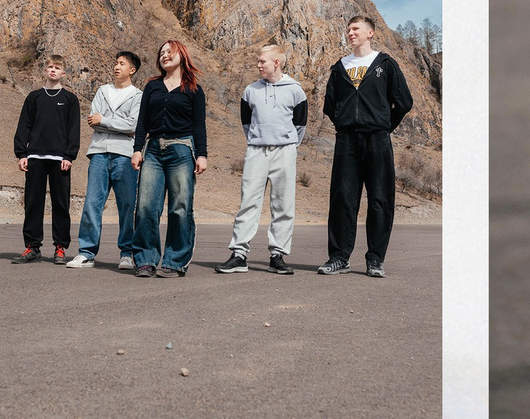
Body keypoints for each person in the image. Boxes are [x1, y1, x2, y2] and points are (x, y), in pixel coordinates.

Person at [318, 15, 413, 278]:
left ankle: (375, 260)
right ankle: (339, 258)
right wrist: (345, 123)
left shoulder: (385, 64)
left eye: (356, 28)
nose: (350, 33)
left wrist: (383, 126)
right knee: (342, 199)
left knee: (380, 199)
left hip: (377, 140)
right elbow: (330, 106)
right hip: (347, 141)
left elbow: (403, 102)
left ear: (370, 32)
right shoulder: (340, 67)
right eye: (348, 29)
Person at [216, 43, 307, 274]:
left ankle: (278, 255)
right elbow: (246, 123)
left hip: (285, 151)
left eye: (262, 61)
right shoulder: (250, 91)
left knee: (283, 204)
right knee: (248, 202)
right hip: (256, 151)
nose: (258, 65)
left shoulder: (296, 90)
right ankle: (239, 255)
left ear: (276, 62)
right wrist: (259, 140)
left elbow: (300, 125)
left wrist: (286, 144)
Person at [129, 38, 209, 276]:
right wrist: (137, 149)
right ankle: (145, 260)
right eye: (161, 52)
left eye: (169, 51)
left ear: (181, 55)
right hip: (153, 150)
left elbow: (199, 125)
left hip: (182, 149)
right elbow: (142, 121)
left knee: (180, 208)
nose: (164, 55)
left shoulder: (194, 89)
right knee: (145, 207)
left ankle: (175, 262)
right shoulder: (152, 86)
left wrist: (202, 154)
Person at [68, 49, 144, 270]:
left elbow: (133, 125)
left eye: (122, 64)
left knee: (127, 206)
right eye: (116, 63)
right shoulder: (102, 91)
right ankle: (86, 253)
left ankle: (127, 254)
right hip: (99, 153)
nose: (116, 67)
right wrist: (115, 124)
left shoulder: (138, 96)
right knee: (92, 203)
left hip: (125, 156)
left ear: (132, 70)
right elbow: (93, 120)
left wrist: (105, 120)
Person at [11, 51, 80, 264]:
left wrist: (69, 155)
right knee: (33, 203)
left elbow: (74, 129)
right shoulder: (34, 97)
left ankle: (60, 248)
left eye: (57, 68)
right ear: (45, 70)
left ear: (63, 74)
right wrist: (22, 153)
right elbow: (24, 126)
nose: (53, 70)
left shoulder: (70, 99)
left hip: (60, 159)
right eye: (50, 67)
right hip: (35, 157)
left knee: (61, 203)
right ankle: (32, 247)